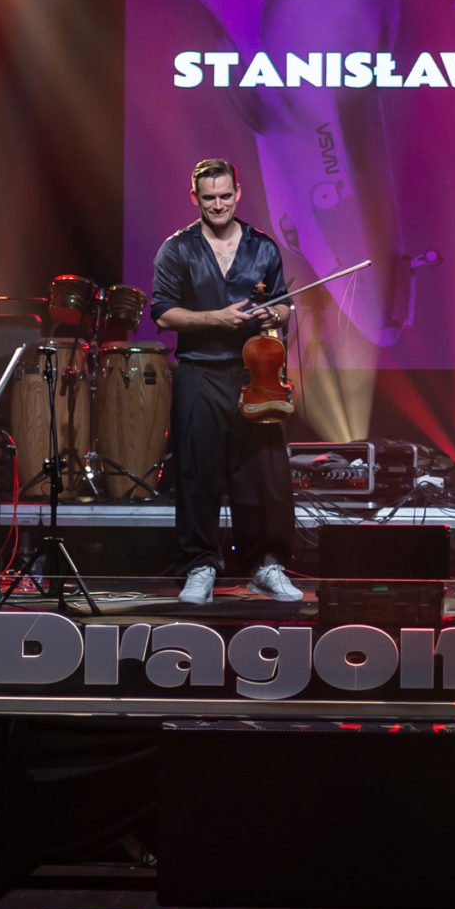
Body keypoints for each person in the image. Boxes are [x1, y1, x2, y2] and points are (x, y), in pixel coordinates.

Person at [150, 159, 302, 605]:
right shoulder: (176, 248)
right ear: (194, 197)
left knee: (262, 475)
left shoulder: (263, 247)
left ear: (238, 192)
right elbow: (163, 314)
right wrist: (216, 318)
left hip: (254, 374)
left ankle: (266, 567)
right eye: (208, 198)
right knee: (197, 474)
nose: (218, 205)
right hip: (199, 371)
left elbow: (284, 306)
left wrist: (274, 314)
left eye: (224, 196)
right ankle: (200, 566)